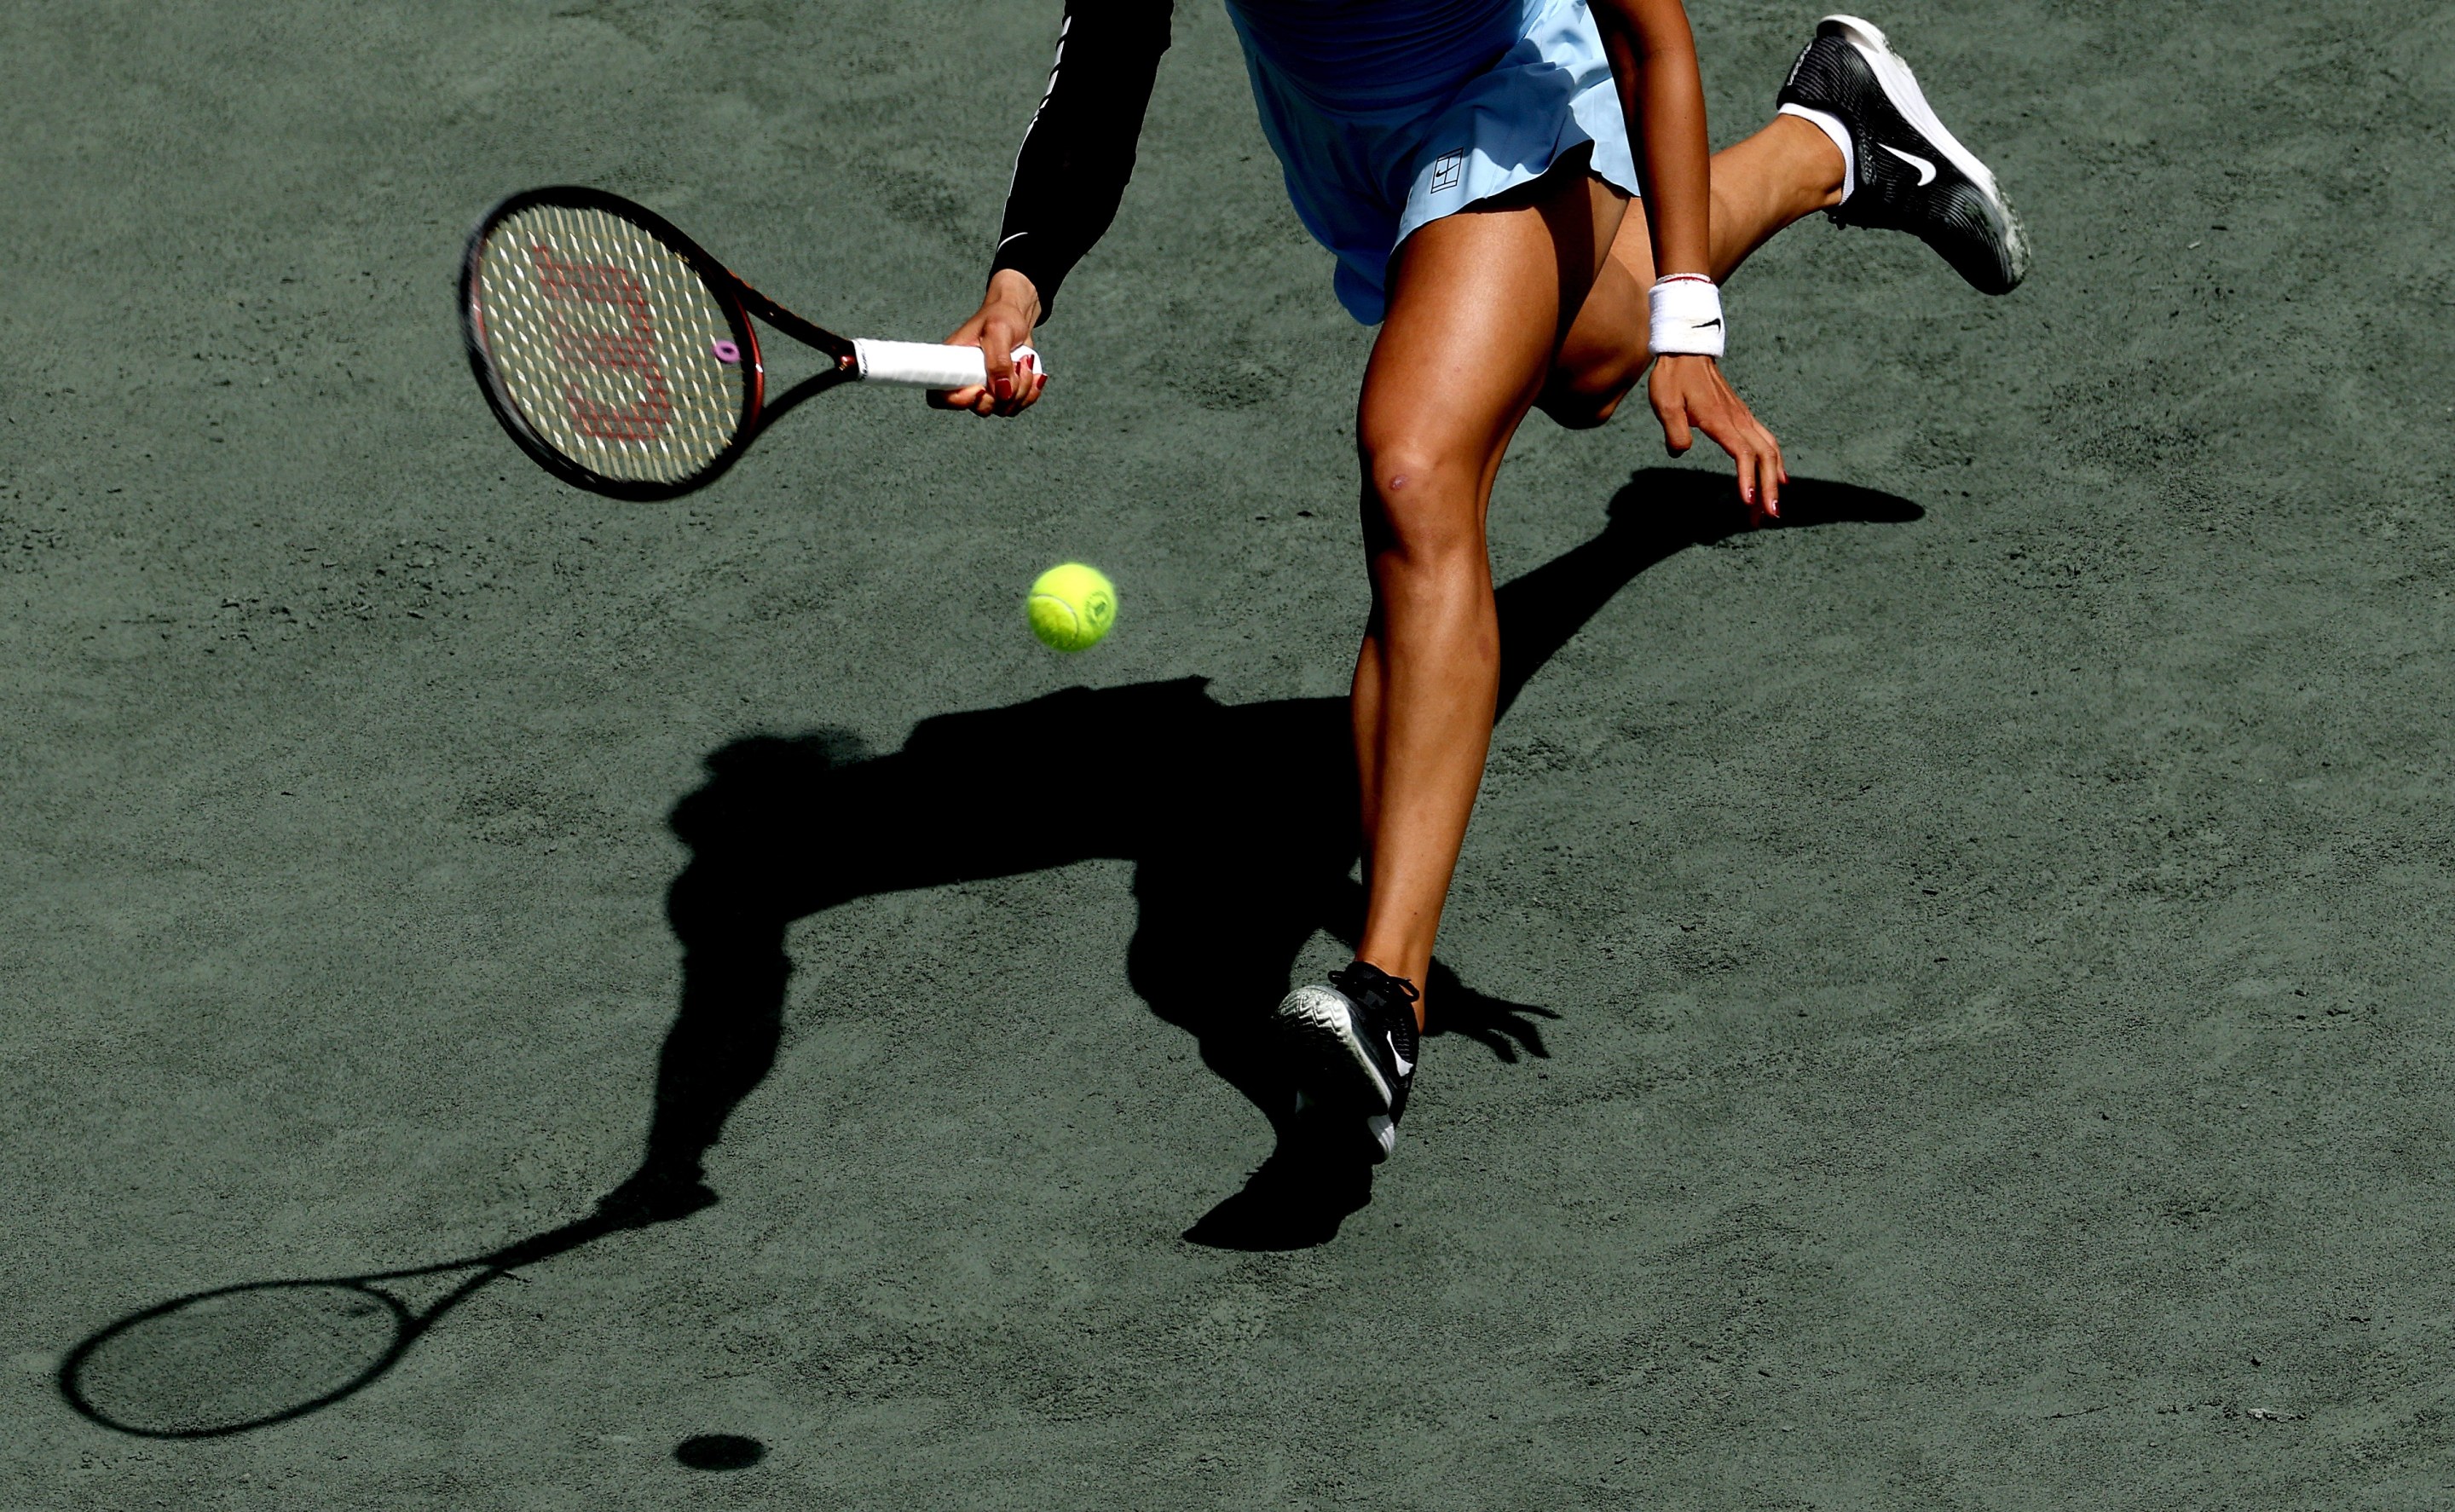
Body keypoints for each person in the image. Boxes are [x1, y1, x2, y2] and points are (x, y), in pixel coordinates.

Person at [933, 4, 2026, 1163]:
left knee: (1416, 464)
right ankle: (1835, 136)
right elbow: (1108, 60)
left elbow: (1655, 42)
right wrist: (1019, 286)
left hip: (1504, 92)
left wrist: (1693, 325)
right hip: (1345, 136)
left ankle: (1383, 1000)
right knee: (1591, 364)